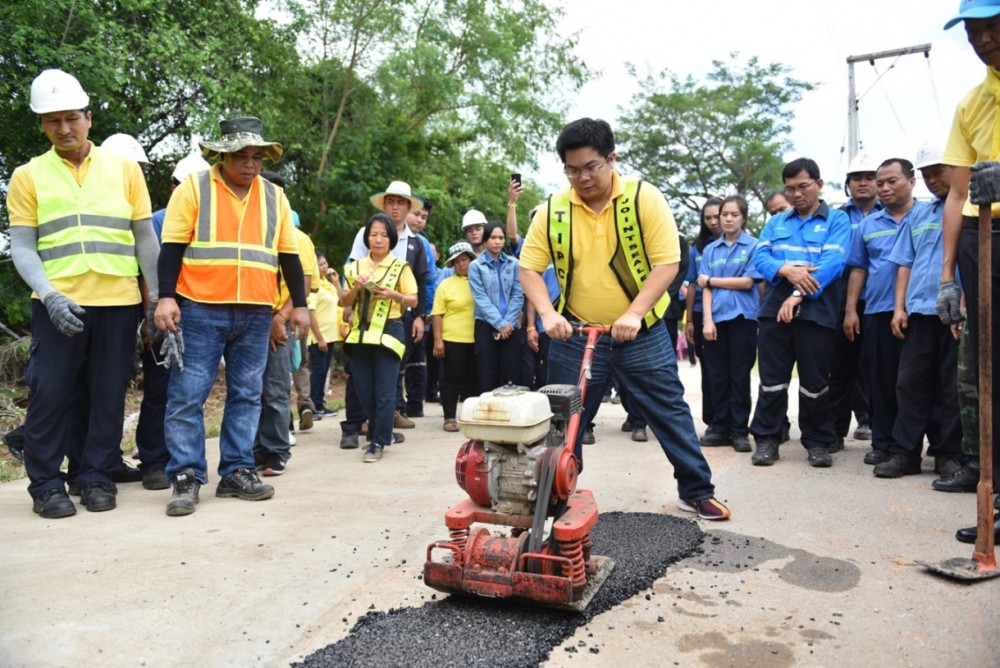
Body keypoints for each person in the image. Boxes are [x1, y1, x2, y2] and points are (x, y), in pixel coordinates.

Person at [519, 117, 730, 521]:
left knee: (669, 410)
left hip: (641, 333)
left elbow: (668, 262)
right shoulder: (553, 209)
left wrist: (634, 313)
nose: (582, 178)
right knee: (562, 420)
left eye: (591, 166)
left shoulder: (643, 198)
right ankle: (556, 494)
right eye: (572, 170)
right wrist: (546, 313)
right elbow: (529, 267)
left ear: (611, 158)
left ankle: (697, 490)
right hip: (576, 332)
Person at [8, 69, 160, 518]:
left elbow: (145, 239)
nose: (64, 128)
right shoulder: (28, 176)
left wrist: (155, 300)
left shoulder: (124, 169)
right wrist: (48, 295)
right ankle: (45, 484)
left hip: (118, 301)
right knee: (50, 393)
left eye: (71, 117)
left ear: (89, 118)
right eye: (52, 121)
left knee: (108, 395)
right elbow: (23, 247)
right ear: (42, 125)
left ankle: (94, 476)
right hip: (58, 304)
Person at [154, 116, 308, 516]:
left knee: (247, 394)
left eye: (257, 156)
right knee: (188, 395)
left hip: (256, 312)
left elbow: (289, 255)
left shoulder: (275, 196)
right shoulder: (194, 188)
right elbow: (171, 248)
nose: (250, 164)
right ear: (222, 155)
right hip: (200, 307)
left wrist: (300, 304)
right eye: (241, 156)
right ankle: (186, 475)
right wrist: (166, 298)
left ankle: (237, 470)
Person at [937, 0, 1000, 544]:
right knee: (991, 373)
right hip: (986, 241)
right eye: (974, 31)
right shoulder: (971, 105)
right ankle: (997, 499)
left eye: (993, 27)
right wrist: (947, 276)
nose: (983, 40)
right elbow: (957, 195)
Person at [749, 157, 851, 468]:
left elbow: (832, 264)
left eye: (803, 186)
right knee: (772, 380)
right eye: (790, 188)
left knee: (815, 383)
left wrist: (795, 293)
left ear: (819, 185)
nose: (796, 194)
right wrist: (785, 269)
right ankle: (767, 439)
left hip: (817, 313)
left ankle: (818, 442)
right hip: (773, 313)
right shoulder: (776, 223)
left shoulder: (837, 220)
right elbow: (760, 258)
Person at [883, 148, 964, 481]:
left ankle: (948, 455)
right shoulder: (918, 215)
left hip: (956, 316)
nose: (932, 180)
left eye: (938, 172)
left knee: (952, 388)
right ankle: (905, 453)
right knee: (910, 384)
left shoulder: (972, 209)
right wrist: (898, 308)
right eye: (926, 175)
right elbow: (905, 262)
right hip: (918, 312)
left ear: (957, 169)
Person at [843, 158, 924, 472]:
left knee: (919, 382)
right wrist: (851, 310)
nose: (885, 188)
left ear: (911, 181)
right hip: (877, 311)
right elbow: (858, 269)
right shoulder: (868, 225)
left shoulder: (927, 215)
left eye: (892, 181)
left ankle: (937, 447)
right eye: (881, 183)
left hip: (920, 311)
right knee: (881, 381)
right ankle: (884, 444)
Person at [251, 171, 319, 476]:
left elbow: (303, 285)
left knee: (275, 388)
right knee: (249, 389)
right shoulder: (251, 228)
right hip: (250, 318)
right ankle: (255, 450)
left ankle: (276, 450)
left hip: (280, 320)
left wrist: (280, 317)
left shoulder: (298, 237)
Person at [346, 180, 429, 430]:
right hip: (364, 313)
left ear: (409, 208)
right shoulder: (365, 233)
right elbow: (351, 268)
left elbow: (422, 281)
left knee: (391, 370)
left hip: (398, 314)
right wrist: (348, 308)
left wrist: (419, 316)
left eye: (401, 203)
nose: (395, 207)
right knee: (359, 371)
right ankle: (357, 421)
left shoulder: (417, 242)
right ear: (383, 205)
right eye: (390, 202)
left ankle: (387, 418)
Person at [340, 214, 418, 463]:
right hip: (361, 334)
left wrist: (394, 295)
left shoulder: (400, 267)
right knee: (364, 390)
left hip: (389, 330)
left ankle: (378, 441)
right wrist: (355, 287)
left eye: (384, 235)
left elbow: (413, 299)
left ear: (391, 239)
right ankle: (383, 431)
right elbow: (343, 301)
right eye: (373, 234)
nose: (378, 239)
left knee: (385, 390)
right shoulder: (355, 267)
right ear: (367, 238)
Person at [697, 195, 762, 454]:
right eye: (724, 214)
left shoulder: (754, 246)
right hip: (716, 320)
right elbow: (703, 287)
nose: (728, 219)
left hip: (743, 319)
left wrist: (712, 280)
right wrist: (707, 321)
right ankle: (720, 427)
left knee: (739, 375)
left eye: (734, 214)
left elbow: (747, 282)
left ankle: (739, 431)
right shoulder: (710, 249)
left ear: (744, 218)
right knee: (717, 375)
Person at [831, 153, 882, 447]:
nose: (863, 183)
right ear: (848, 184)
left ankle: (878, 429)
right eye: (856, 178)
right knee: (841, 367)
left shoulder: (891, 212)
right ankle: (835, 432)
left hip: (880, 301)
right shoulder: (837, 217)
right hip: (842, 302)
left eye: (869, 177)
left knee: (879, 367)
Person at [469, 221, 525, 393]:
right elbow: (480, 298)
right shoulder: (475, 266)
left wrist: (507, 323)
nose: (497, 242)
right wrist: (500, 324)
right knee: (487, 373)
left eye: (501, 238)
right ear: (485, 240)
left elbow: (518, 294)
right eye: (493, 237)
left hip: (511, 326)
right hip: (486, 325)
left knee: (511, 373)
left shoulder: (513, 264)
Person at [684, 198, 723, 442]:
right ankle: (713, 421)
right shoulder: (696, 249)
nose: (713, 222)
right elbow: (691, 285)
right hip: (700, 313)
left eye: (716, 216)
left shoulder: (743, 244)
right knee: (709, 371)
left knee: (731, 370)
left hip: (729, 312)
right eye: (707, 218)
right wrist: (689, 320)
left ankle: (734, 422)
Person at [430, 242, 479, 431]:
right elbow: (437, 314)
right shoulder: (445, 285)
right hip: (453, 339)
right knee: (451, 379)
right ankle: (449, 417)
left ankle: (472, 417)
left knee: (475, 379)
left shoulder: (481, 281)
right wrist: (438, 340)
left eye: (464, 260)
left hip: (478, 338)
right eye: (457, 262)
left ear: (472, 260)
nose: (461, 264)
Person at [308, 254, 346, 419]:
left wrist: (336, 282)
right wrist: (320, 338)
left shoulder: (328, 284)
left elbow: (342, 302)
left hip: (331, 336)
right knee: (318, 371)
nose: (324, 267)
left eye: (325, 263)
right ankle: (312, 407)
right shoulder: (313, 286)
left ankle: (320, 404)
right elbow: (310, 313)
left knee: (324, 371)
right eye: (320, 265)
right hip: (319, 336)